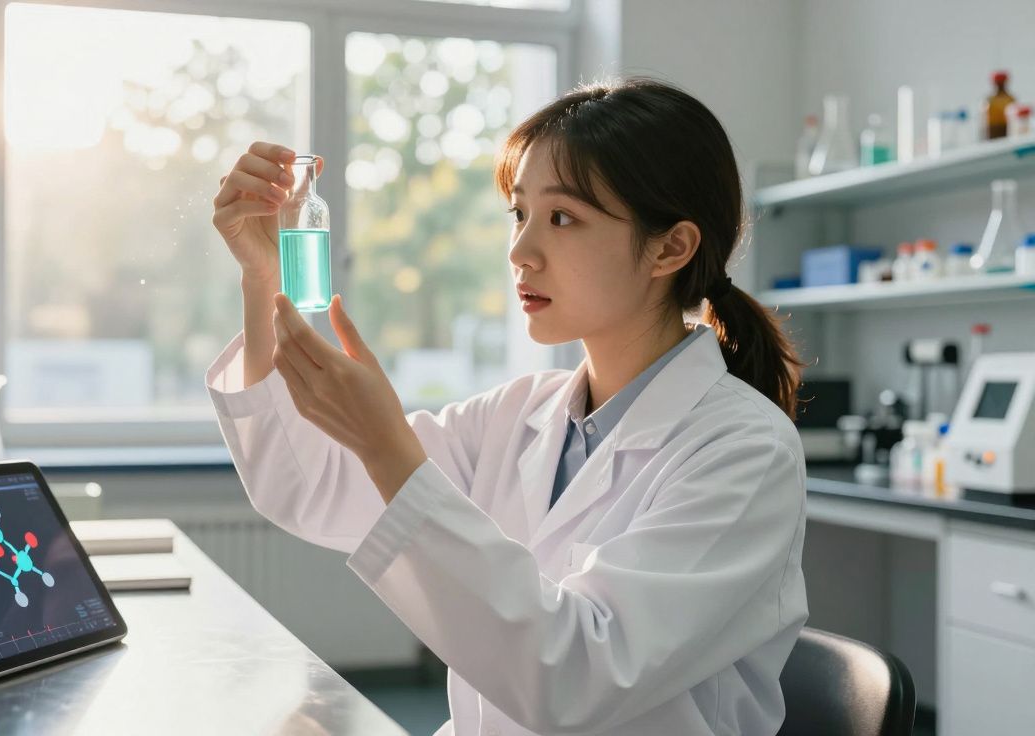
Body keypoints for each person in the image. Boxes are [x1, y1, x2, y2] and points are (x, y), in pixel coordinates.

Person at [207, 78, 807, 736]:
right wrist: (262, 278)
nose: (520, 253)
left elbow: (574, 677)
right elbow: (312, 485)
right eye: (519, 214)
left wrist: (387, 445)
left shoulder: (744, 453)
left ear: (670, 247)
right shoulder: (521, 414)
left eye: (562, 218)